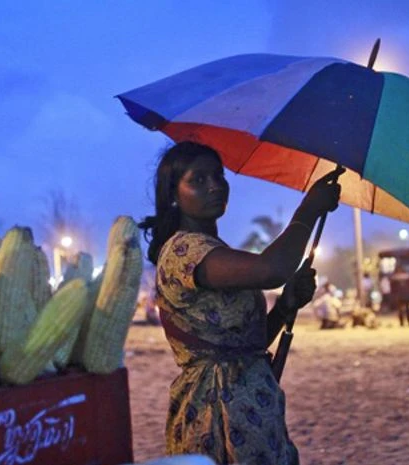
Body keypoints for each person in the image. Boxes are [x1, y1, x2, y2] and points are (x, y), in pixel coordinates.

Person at [138, 142, 342, 465]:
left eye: (218, 176)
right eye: (199, 180)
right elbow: (272, 269)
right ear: (174, 195)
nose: (215, 186)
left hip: (252, 412)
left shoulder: (215, 249)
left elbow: (245, 345)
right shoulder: (184, 252)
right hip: (215, 416)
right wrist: (309, 210)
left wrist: (286, 306)